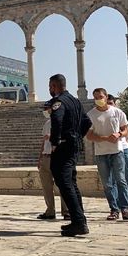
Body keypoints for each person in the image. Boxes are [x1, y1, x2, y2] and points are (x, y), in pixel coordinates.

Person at [48, 74, 92, 237]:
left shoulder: (58, 102)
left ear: (54, 86)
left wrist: (55, 142)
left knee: (65, 183)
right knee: (71, 183)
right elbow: (87, 122)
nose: (50, 90)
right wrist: (77, 136)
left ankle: (79, 223)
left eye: (50, 86)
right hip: (73, 145)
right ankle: (79, 220)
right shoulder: (75, 101)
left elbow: (57, 122)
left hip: (64, 147)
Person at [87, 88, 128, 221]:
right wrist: (105, 138)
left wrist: (119, 134)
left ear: (106, 97)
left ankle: (125, 208)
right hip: (101, 153)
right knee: (107, 183)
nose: (98, 100)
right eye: (95, 98)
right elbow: (89, 135)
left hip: (117, 151)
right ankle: (114, 209)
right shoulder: (90, 115)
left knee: (121, 180)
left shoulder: (117, 112)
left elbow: (125, 129)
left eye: (100, 97)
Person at [37, 101, 69, 220]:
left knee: (61, 185)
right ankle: (50, 210)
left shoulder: (63, 121)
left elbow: (65, 137)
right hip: (46, 156)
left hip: (57, 156)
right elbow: (43, 141)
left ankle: (66, 211)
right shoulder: (47, 123)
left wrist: (52, 136)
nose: (45, 110)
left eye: (47, 108)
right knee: (46, 186)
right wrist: (40, 157)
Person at [107, 94, 128, 212]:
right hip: (110, 149)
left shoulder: (119, 113)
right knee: (113, 178)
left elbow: (126, 130)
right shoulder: (104, 115)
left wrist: (124, 141)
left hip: (123, 148)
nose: (109, 105)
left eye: (111, 103)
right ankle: (117, 203)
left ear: (114, 103)